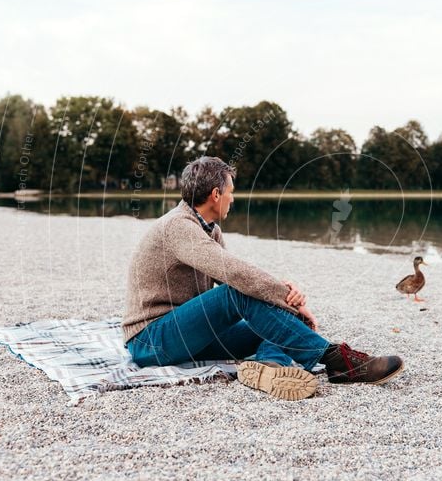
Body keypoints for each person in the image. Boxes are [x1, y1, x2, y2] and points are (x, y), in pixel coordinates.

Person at [122, 156, 404, 400]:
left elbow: (236, 282)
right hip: (152, 341)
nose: (233, 198)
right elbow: (234, 278)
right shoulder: (178, 227)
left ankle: (272, 366)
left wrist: (286, 301)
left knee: (286, 318)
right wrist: (282, 293)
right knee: (244, 295)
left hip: (189, 335)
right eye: (231, 191)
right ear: (216, 194)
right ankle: (337, 361)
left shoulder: (209, 230)